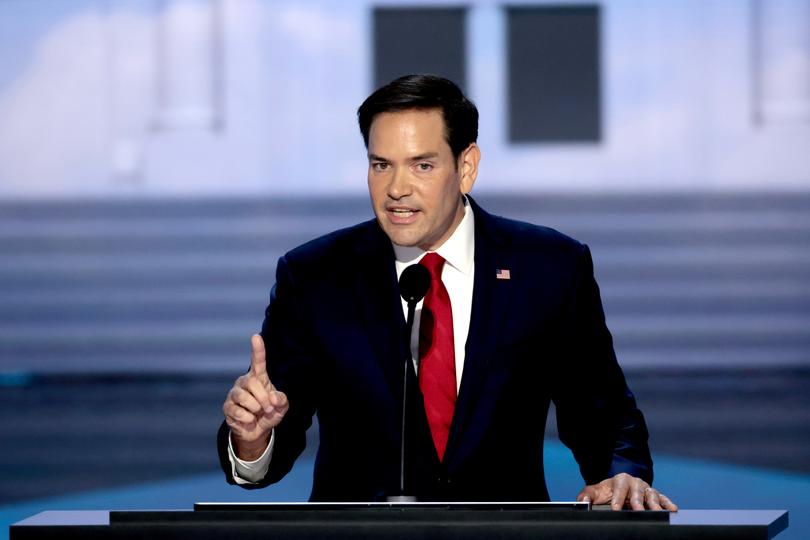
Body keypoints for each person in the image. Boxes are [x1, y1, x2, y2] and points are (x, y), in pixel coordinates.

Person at [218, 74, 677, 511]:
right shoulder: (316, 276)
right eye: (381, 165)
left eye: (422, 164)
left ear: (466, 167)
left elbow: (602, 412)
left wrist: (621, 474)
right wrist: (253, 440)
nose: (396, 189)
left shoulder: (549, 267)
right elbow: (272, 442)